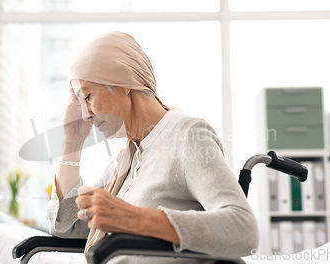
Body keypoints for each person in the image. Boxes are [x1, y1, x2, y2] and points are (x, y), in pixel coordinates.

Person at [46, 31, 259, 263]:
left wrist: (134, 219)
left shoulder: (187, 135)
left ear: (123, 82)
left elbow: (243, 229)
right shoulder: (126, 162)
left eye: (87, 96)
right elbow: (65, 226)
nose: (85, 114)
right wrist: (73, 142)